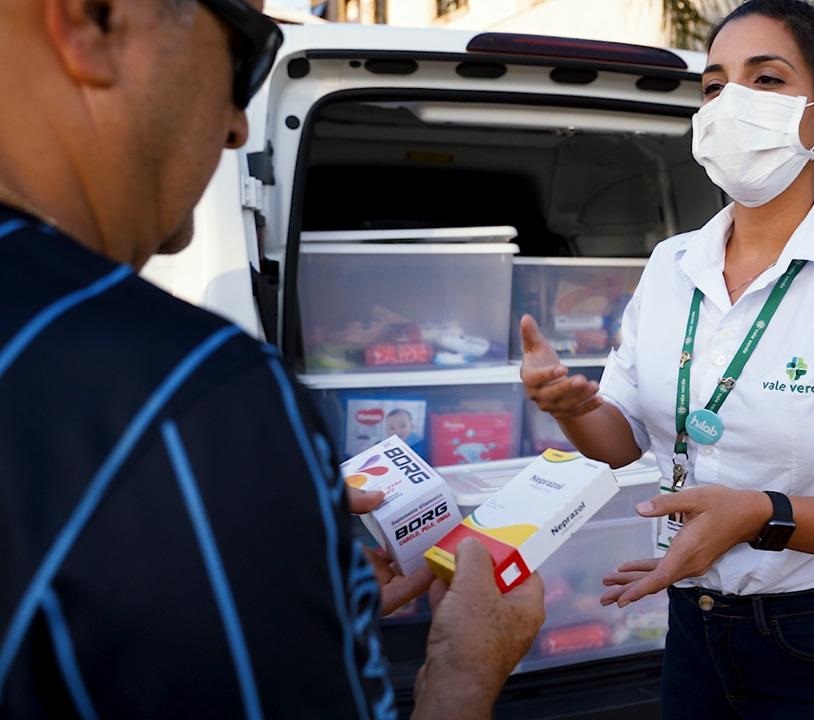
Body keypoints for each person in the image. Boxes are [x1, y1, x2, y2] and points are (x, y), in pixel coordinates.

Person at [0, 0, 543, 717]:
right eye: (245, 54)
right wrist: (464, 669)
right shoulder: (192, 399)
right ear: (95, 20)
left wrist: (273, 556)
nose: (236, 127)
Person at [521, 0, 814, 717]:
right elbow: (621, 443)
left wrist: (763, 514)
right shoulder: (673, 265)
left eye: (764, 80)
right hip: (692, 629)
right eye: (713, 85)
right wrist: (574, 410)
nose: (730, 102)